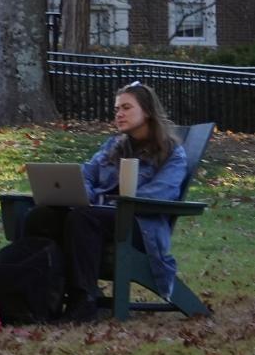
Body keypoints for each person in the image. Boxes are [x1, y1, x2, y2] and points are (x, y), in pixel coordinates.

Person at [21, 82, 189, 322]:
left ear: (148, 111)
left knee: (83, 217)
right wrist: (82, 194)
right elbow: (86, 174)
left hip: (139, 226)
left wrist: (100, 201)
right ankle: (38, 296)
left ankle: (84, 301)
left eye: (127, 108)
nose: (119, 114)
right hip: (99, 219)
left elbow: (159, 195)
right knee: (42, 216)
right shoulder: (114, 145)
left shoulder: (172, 153)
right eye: (117, 108)